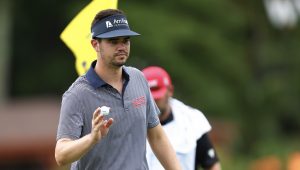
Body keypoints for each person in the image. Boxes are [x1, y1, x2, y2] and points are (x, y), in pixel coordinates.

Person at [55, 9, 181, 170]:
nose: (121, 47)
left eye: (126, 40)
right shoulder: (77, 95)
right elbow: (61, 155)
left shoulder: (139, 79)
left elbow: (156, 136)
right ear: (95, 44)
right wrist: (92, 139)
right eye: (113, 41)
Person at [142, 66, 222, 170]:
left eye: (157, 96)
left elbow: (211, 164)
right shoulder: (128, 121)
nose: (152, 101)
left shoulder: (191, 120)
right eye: (148, 96)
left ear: (170, 90)